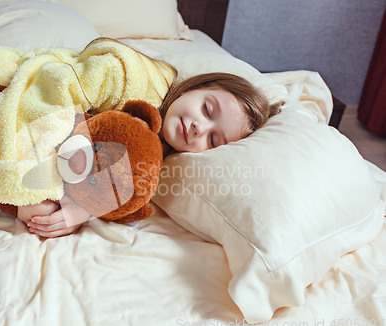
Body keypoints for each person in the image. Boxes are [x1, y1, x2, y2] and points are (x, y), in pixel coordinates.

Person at [19, 72, 283, 238]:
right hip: (37, 119)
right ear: (191, 89)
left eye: (213, 139)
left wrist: (82, 210)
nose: (198, 127)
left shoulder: (160, 162)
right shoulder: (136, 88)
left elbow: (123, 189)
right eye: (206, 109)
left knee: (40, 209)